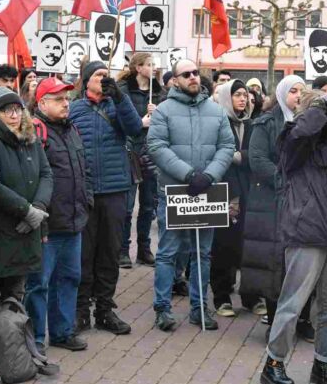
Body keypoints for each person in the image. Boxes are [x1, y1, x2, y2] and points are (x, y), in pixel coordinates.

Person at [260, 88, 327, 384]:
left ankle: (323, 363)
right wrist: (320, 106)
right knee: (292, 302)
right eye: (322, 108)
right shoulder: (292, 137)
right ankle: (274, 362)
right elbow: (303, 133)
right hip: (307, 229)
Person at [0, 87, 52, 384]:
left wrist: (39, 210)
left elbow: (46, 174)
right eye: (6, 110)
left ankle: (11, 349)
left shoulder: (30, 139)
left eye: (18, 108)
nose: (14, 115)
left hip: (26, 229)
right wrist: (24, 210)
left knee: (14, 297)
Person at [147, 59, 235, 331]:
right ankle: (162, 308)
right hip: (175, 192)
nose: (193, 77)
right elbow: (157, 146)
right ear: (175, 80)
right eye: (186, 74)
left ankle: (199, 308)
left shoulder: (217, 112)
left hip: (208, 192)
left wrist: (209, 175)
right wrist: (187, 174)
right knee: (167, 253)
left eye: (196, 73)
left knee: (203, 253)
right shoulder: (163, 111)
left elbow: (227, 145)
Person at [69, 61, 142, 335]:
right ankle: (80, 310)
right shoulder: (74, 109)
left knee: (110, 253)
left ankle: (104, 309)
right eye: (97, 75)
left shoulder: (116, 105)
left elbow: (135, 129)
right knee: (84, 254)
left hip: (114, 190)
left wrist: (120, 98)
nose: (102, 78)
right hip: (85, 192)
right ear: (86, 81)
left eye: (105, 74)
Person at [25, 78, 91, 354]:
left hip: (73, 221)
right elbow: (33, 179)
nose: (66, 103)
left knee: (69, 278)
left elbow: (81, 169)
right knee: (39, 285)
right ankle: (37, 339)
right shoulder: (35, 132)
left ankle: (63, 332)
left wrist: (87, 202)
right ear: (42, 103)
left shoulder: (71, 128)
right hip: (48, 225)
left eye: (67, 98)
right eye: (59, 99)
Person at [241, 76, 309, 330]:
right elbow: (257, 159)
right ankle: (275, 318)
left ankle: (302, 318)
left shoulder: (311, 123)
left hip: (304, 199)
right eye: (293, 91)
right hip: (272, 199)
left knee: (303, 260)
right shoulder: (266, 123)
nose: (298, 96)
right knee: (274, 260)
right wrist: (285, 181)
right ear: (281, 95)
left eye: (302, 91)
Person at [210, 80, 253, 318]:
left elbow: (257, 154)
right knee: (224, 244)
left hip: (249, 190)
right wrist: (232, 157)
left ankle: (250, 296)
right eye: (237, 95)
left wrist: (238, 156)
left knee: (247, 244)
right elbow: (217, 156)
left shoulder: (252, 123)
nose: (243, 99)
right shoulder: (218, 123)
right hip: (226, 190)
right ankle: (222, 296)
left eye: (245, 95)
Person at [118, 53, 163, 268]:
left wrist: (158, 114)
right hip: (129, 152)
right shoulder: (124, 91)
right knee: (127, 205)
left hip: (151, 153)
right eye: (149, 64)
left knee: (148, 205)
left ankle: (144, 249)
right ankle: (123, 250)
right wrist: (140, 121)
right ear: (138, 67)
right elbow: (119, 117)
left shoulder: (160, 92)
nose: (154, 68)